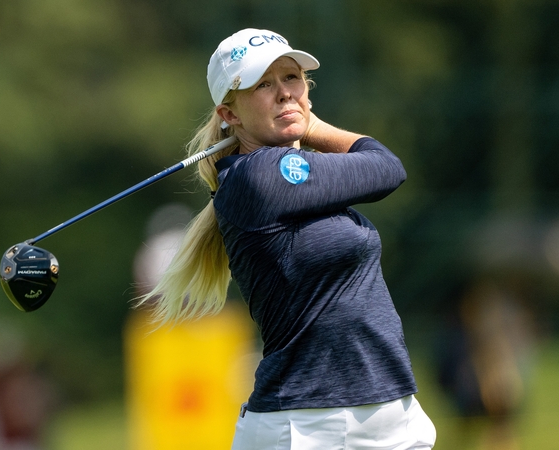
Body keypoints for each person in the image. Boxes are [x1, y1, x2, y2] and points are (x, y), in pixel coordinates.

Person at [136, 28, 436, 449]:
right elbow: (386, 168)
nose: (284, 93)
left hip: (389, 413)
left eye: (292, 78)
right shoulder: (258, 176)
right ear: (230, 115)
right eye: (263, 84)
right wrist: (311, 125)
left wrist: (303, 123)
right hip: (307, 426)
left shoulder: (298, 173)